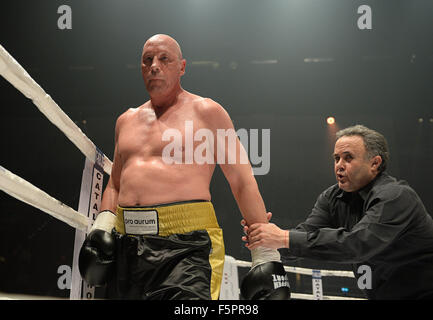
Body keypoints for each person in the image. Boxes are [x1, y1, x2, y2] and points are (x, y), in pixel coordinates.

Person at [78, 34, 290, 300]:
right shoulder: (125, 120)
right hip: (127, 243)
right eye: (147, 60)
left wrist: (265, 254)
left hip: (186, 246)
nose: (154, 65)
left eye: (164, 58)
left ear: (182, 67)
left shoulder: (208, 112)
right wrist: (102, 226)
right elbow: (115, 184)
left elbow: (242, 181)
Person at [242, 125, 433, 299]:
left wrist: (282, 237)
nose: (339, 165)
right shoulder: (332, 197)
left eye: (348, 158)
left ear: (375, 163)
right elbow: (305, 235)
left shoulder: (396, 197)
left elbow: (356, 245)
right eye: (336, 158)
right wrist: (265, 241)